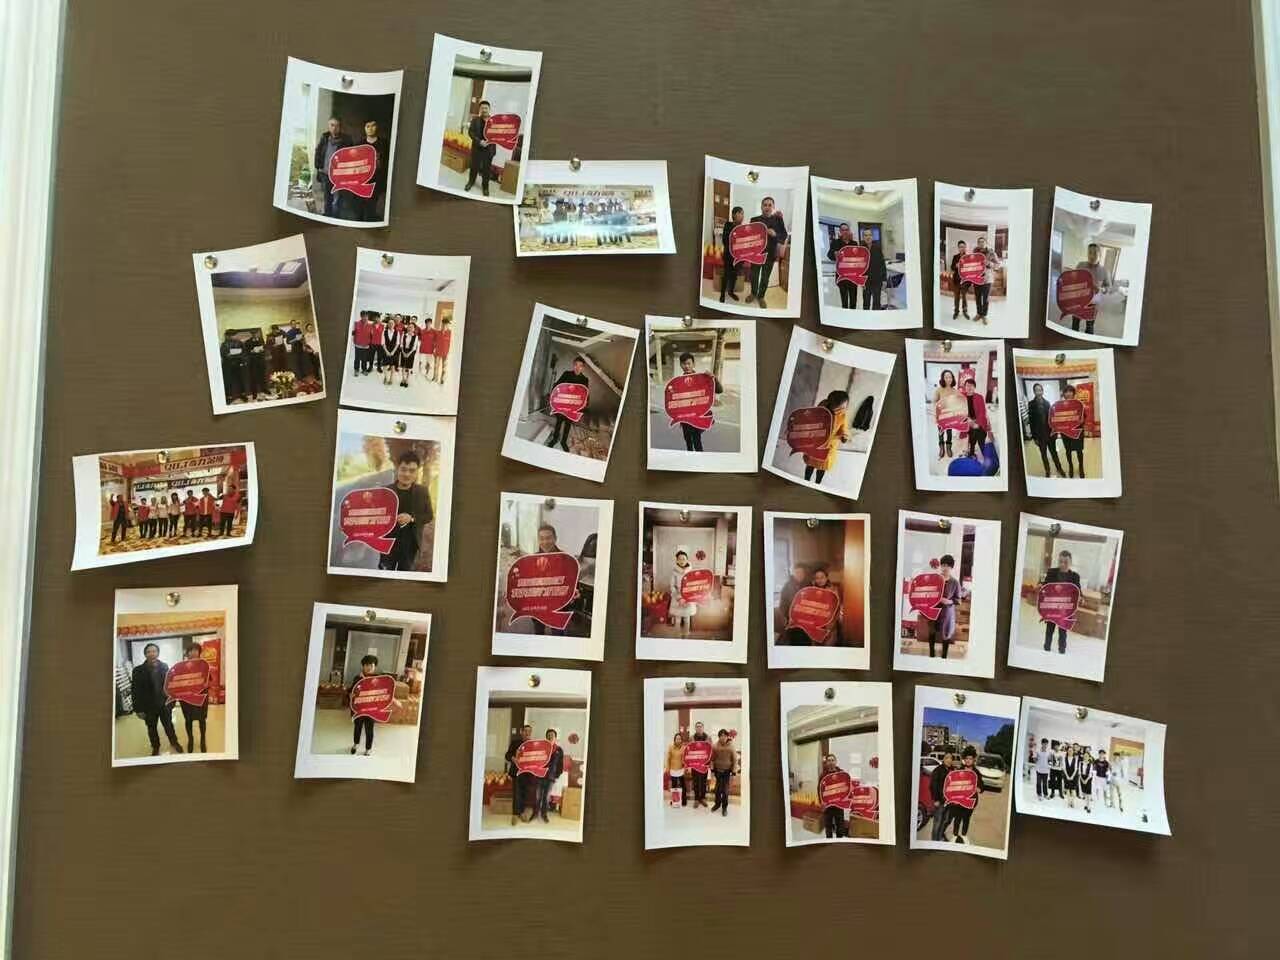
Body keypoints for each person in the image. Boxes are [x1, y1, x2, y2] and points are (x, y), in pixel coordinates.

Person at [375, 449, 433, 572]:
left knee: (405, 577)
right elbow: (373, 516)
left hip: (410, 546)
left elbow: (428, 515)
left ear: (417, 472)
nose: (407, 474)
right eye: (403, 469)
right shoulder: (385, 491)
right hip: (387, 544)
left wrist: (411, 518)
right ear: (397, 469)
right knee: (384, 577)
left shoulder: (422, 492)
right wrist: (353, 526)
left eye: (412, 470)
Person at [130, 642, 182, 757]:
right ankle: (155, 747)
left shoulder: (164, 666)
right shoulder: (138, 670)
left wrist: (172, 703)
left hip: (164, 705)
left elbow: (170, 685)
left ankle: (174, 742)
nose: (151, 654)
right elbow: (135, 691)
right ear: (145, 654)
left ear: (158, 653)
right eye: (148, 652)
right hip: (148, 707)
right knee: (151, 728)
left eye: (154, 651)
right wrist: (138, 709)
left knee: (169, 726)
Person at [673, 351, 722, 452]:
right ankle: (690, 457)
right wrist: (679, 418)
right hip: (685, 418)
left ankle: (699, 459)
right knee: (688, 441)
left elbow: (719, 390)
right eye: (684, 364)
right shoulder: (679, 381)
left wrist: (713, 378)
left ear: (693, 364)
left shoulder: (702, 378)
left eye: (689, 363)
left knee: (697, 441)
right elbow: (678, 401)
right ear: (680, 365)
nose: (686, 366)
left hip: (697, 416)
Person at [917, 554, 964, 658]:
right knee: (932, 631)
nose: (945, 568)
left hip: (947, 612)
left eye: (947, 565)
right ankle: (931, 653)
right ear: (940, 566)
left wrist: (949, 601)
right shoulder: (934, 579)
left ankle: (944, 656)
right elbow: (928, 592)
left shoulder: (955, 582)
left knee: (946, 634)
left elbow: (958, 600)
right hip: (934, 610)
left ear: (951, 567)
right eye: (943, 565)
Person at [802, 389, 850, 485]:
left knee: (822, 467)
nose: (842, 409)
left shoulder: (842, 415)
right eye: (840, 407)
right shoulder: (820, 410)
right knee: (810, 464)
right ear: (831, 404)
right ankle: (806, 481)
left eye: (844, 407)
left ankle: (817, 483)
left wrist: (844, 435)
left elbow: (843, 427)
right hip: (816, 443)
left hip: (829, 446)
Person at [749, 196, 788, 308]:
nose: (767, 207)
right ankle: (753, 293)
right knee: (754, 275)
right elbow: (749, 236)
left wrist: (775, 234)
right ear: (761, 207)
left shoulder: (778, 220)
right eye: (765, 205)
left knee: (765, 277)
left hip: (770, 254)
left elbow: (784, 235)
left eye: (770, 205)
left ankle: (761, 296)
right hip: (756, 254)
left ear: (773, 207)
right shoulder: (754, 220)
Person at [1040, 549, 1081, 654]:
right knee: (1049, 630)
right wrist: (1041, 588)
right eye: (1060, 561)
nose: (1062, 564)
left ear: (1070, 562)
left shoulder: (1075, 576)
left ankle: (1062, 651)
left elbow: (1078, 591)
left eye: (1065, 562)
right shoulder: (1051, 572)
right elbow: (1045, 586)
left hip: (1065, 611)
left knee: (1063, 632)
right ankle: (1046, 650)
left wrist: (1081, 598)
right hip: (1052, 608)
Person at [545, 355, 589, 452]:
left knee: (568, 424)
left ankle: (563, 442)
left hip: (573, 406)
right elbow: (557, 385)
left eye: (580, 366)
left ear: (583, 368)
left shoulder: (585, 379)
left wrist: (585, 404)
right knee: (559, 422)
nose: (577, 368)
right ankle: (555, 439)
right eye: (576, 365)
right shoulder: (566, 374)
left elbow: (586, 393)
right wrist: (552, 395)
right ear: (573, 365)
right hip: (563, 404)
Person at [314, 115, 352, 218]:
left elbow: (351, 157)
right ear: (328, 126)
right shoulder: (324, 137)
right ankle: (327, 215)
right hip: (325, 173)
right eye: (332, 125)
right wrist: (318, 166)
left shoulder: (347, 140)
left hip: (339, 175)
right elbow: (318, 152)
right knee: (327, 197)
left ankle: (336, 217)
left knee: (338, 199)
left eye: (337, 125)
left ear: (340, 127)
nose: (334, 128)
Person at [947, 746, 987, 844]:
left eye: (970, 759)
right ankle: (955, 836)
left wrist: (979, 789)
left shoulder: (976, 772)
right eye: (967, 758)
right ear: (964, 759)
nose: (968, 760)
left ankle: (964, 835)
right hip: (959, 800)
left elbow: (982, 785)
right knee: (957, 818)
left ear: (973, 760)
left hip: (971, 801)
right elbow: (953, 784)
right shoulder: (959, 770)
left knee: (966, 819)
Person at [1072, 243, 1113, 335]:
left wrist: (1101, 289)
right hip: (1079, 301)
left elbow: (1109, 287)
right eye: (1090, 252)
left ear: (1100, 254)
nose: (1092, 256)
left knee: (1090, 327)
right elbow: (1074, 280)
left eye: (1095, 253)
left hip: (1093, 304)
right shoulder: (1080, 265)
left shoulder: (1104, 271)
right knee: (1075, 324)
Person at [1026, 383, 1066, 478]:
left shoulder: (1047, 403)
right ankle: (1047, 470)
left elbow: (1052, 419)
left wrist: (1055, 432)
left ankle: (1059, 468)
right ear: (1034, 392)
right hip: (1040, 436)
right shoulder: (1031, 404)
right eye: (1037, 390)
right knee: (1043, 454)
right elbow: (1031, 421)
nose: (1039, 392)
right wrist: (1034, 437)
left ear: (1042, 391)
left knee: (1054, 453)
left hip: (1050, 434)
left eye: (1040, 390)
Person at [177, 641, 209, 754]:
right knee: (188, 720)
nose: (193, 653)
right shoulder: (181, 666)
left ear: (199, 652)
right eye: (191, 650)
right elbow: (177, 681)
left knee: (202, 720)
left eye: (196, 650)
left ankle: (202, 740)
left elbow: (209, 680)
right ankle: (190, 740)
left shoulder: (204, 665)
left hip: (201, 697)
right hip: (187, 698)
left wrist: (206, 684)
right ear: (187, 653)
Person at [356, 119, 389, 222]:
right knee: (360, 204)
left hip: (377, 179)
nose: (370, 128)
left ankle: (368, 221)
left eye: (373, 125)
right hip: (363, 180)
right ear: (364, 129)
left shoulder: (384, 143)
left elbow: (387, 162)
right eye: (368, 126)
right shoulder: (360, 144)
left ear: (377, 127)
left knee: (372, 204)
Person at [349, 654, 382, 756]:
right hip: (359, 709)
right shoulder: (357, 678)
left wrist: (393, 701)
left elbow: (383, 692)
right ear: (363, 666)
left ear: (375, 667)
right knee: (357, 727)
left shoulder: (378, 679)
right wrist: (351, 694)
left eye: (372, 665)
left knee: (369, 730)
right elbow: (351, 691)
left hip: (371, 710)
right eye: (367, 665)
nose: (369, 667)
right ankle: (356, 744)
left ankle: (368, 748)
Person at [464, 100, 497, 196]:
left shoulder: (494, 121)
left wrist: (489, 141)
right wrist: (479, 141)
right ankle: (471, 182)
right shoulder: (475, 120)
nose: (484, 110)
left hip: (489, 149)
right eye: (482, 108)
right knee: (474, 167)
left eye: (486, 108)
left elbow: (498, 135)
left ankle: (485, 187)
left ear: (489, 109)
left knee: (486, 170)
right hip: (477, 148)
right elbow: (471, 132)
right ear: (480, 109)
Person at [805, 567, 842, 645]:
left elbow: (837, 608)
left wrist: (831, 626)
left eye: (822, 577)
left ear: (826, 578)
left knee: (828, 647)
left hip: (830, 626)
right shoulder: (812, 590)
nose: (820, 580)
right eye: (817, 578)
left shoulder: (833, 590)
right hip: (815, 625)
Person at [505, 724, 534, 823]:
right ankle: (515, 815)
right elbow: (507, 755)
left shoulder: (533, 744)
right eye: (525, 731)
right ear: (521, 732)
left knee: (525, 794)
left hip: (528, 773)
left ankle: (522, 813)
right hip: (517, 772)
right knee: (517, 794)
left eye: (529, 731)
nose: (527, 733)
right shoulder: (515, 743)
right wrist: (513, 758)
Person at [826, 222, 858, 309]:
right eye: (843, 230)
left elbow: (858, 258)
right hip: (842, 277)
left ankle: (853, 314)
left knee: (853, 300)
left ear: (849, 231)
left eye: (847, 230)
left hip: (853, 277)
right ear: (840, 231)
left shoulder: (854, 243)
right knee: (844, 301)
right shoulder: (835, 243)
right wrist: (834, 254)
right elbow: (829, 255)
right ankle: (845, 315)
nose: (845, 232)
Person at [972, 235, 1003, 324]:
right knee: (977, 297)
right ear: (977, 244)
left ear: (985, 243)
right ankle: (979, 314)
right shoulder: (975, 252)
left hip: (987, 279)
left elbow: (998, 265)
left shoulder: (991, 252)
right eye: (979, 242)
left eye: (982, 242)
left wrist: (989, 263)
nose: (981, 243)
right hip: (976, 279)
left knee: (985, 299)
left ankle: (984, 315)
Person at [777, 562, 810, 645]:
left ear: (804, 574)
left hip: (806, 622)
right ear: (793, 573)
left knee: (807, 642)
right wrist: (787, 618)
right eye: (797, 572)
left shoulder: (808, 585)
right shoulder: (787, 586)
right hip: (793, 622)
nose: (800, 575)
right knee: (795, 642)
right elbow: (782, 606)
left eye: (801, 573)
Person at [536, 728, 565, 823]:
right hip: (540, 776)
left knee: (546, 797)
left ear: (555, 738)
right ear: (546, 737)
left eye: (552, 736)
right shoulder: (541, 748)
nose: (550, 737)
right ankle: (536, 813)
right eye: (548, 736)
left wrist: (556, 775)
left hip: (551, 777)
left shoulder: (559, 750)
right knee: (538, 797)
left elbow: (560, 765)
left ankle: (544, 814)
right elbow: (536, 761)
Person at [1058, 384, 1087, 478]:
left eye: (1070, 391)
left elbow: (1084, 416)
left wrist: (1082, 420)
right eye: (1066, 392)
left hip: (1077, 431)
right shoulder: (1060, 405)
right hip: (1065, 432)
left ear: (1073, 393)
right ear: (1064, 394)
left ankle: (1081, 467)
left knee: (1079, 451)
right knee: (1068, 451)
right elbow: (1057, 418)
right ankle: (1071, 467)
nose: (1068, 393)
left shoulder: (1079, 404)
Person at [668, 548, 698, 637]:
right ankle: (677, 636)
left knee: (687, 619)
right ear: (677, 560)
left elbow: (693, 585)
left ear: (687, 560)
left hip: (688, 598)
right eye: (679, 559)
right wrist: (679, 598)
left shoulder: (691, 571)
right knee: (677, 619)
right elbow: (672, 586)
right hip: (677, 597)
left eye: (684, 559)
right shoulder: (674, 572)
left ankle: (686, 636)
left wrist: (688, 598)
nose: (682, 561)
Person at [960, 374, 991, 459]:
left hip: (978, 420)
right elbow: (959, 412)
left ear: (974, 387)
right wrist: (968, 420)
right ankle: (974, 451)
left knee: (979, 431)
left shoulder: (979, 397)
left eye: (971, 386)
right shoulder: (961, 397)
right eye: (967, 385)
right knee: (974, 431)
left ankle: (974, 451)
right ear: (965, 387)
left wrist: (976, 423)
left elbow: (982, 412)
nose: (969, 387)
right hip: (966, 421)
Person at [819, 753, 849, 838]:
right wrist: (821, 802)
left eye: (832, 760)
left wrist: (846, 799)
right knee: (828, 826)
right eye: (829, 760)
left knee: (840, 826)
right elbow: (819, 789)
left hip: (839, 804)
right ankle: (829, 842)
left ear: (835, 761)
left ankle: (839, 841)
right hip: (827, 805)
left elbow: (846, 786)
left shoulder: (842, 773)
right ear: (826, 763)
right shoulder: (823, 775)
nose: (831, 762)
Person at [934, 370, 961, 460]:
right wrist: (936, 415)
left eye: (950, 377)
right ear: (943, 378)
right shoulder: (939, 390)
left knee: (949, 433)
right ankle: (941, 449)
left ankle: (948, 448)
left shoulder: (954, 391)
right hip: (941, 416)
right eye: (946, 377)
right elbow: (934, 402)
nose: (948, 379)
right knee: (941, 433)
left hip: (950, 416)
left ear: (952, 378)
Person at [719, 206, 744, 303]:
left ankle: (731, 292)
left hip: (738, 258)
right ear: (733, 215)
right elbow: (725, 241)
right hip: (728, 256)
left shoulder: (743, 228)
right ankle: (722, 294)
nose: (742, 216)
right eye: (740, 213)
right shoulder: (728, 225)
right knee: (726, 275)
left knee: (734, 276)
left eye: (742, 214)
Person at [929, 752, 954, 841]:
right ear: (943, 759)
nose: (949, 760)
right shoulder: (938, 770)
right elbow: (933, 785)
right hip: (940, 801)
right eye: (947, 758)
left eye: (951, 758)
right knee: (937, 822)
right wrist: (936, 799)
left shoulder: (952, 770)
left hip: (948, 801)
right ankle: (934, 841)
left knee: (945, 820)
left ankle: (939, 838)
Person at [861, 228, 888, 310]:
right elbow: (858, 266)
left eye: (870, 235)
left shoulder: (877, 248)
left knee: (876, 302)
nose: (868, 237)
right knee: (866, 302)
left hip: (877, 280)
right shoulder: (860, 249)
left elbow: (882, 264)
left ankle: (875, 316)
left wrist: (884, 279)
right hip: (866, 281)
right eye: (866, 235)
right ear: (863, 237)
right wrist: (861, 281)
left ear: (872, 236)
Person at [710, 729, 735, 816]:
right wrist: (712, 770)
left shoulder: (731, 746)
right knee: (717, 789)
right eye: (721, 736)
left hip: (727, 772)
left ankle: (724, 807)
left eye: (725, 736)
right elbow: (712, 759)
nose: (723, 737)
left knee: (725, 791)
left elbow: (735, 760)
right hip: (717, 771)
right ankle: (717, 804)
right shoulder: (715, 746)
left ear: (727, 736)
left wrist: (733, 772)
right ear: (719, 737)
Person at [220, 331, 249, 403]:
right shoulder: (224, 344)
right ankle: (229, 397)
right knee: (228, 381)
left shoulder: (240, 343)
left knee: (240, 380)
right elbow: (225, 355)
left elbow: (243, 352)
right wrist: (236, 353)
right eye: (231, 335)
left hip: (238, 364)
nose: (234, 337)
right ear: (227, 336)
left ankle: (243, 394)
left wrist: (233, 353)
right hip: (228, 365)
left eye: (234, 335)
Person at [688, 721, 710, 807]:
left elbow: (711, 750)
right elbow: (688, 751)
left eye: (700, 726)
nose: (699, 728)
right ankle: (697, 799)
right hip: (695, 764)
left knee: (704, 782)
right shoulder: (691, 738)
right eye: (697, 726)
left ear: (703, 728)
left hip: (704, 765)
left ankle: (703, 798)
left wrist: (710, 763)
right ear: (695, 728)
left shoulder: (708, 738)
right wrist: (689, 765)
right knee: (696, 782)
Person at [949, 239, 971, 319]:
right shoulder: (955, 257)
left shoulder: (968, 257)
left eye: (963, 247)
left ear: (965, 247)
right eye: (960, 247)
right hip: (957, 280)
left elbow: (970, 269)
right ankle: (956, 311)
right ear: (958, 248)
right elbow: (952, 267)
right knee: (956, 297)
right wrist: (956, 265)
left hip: (965, 281)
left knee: (964, 297)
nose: (962, 248)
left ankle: (965, 311)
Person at [666, 731, 687, 807]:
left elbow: (685, 759)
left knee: (683, 786)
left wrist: (685, 768)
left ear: (681, 740)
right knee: (674, 786)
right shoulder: (671, 747)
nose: (678, 740)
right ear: (674, 740)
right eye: (677, 739)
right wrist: (668, 768)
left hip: (681, 769)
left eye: (679, 739)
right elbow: (668, 759)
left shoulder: (684, 748)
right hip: (673, 769)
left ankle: (684, 801)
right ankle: (675, 801)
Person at [246, 330, 268, 398]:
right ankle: (254, 393)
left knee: (263, 376)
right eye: (253, 334)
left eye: (256, 334)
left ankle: (264, 389)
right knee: (254, 378)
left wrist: (262, 350)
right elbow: (246, 352)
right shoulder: (248, 342)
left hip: (261, 361)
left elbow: (264, 347)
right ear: (251, 334)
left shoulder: (261, 340)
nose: (255, 335)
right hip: (253, 362)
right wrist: (252, 351)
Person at [398, 318, 418, 388]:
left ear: (414, 329)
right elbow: (401, 344)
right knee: (403, 366)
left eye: (412, 327)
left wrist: (409, 354)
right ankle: (403, 379)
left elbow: (414, 347)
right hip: (404, 351)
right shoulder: (404, 335)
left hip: (411, 352)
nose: (410, 328)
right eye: (409, 327)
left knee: (409, 367)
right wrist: (403, 352)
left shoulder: (415, 337)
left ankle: (407, 380)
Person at [433, 317, 452, 385]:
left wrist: (449, 352)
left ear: (448, 325)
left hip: (445, 353)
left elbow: (451, 343)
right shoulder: (438, 332)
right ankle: (435, 378)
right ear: (442, 324)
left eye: (446, 324)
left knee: (444, 368)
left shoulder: (450, 333)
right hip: (437, 352)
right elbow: (434, 342)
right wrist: (434, 350)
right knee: (436, 366)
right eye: (443, 324)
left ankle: (442, 380)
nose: (444, 326)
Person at [418, 316, 436, 381]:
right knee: (420, 362)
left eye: (429, 323)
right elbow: (419, 339)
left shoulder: (434, 332)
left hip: (430, 350)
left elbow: (436, 340)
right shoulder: (422, 331)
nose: (428, 324)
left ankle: (427, 374)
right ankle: (420, 373)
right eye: (427, 323)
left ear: (431, 324)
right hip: (422, 350)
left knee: (428, 363)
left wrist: (434, 349)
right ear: (425, 323)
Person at [1078, 747, 1094, 813]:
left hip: (1088, 779)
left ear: (1089, 757)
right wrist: (1082, 779)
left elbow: (1090, 774)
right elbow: (1079, 772)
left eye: (1087, 756)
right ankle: (1086, 805)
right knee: (1084, 793)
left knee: (1088, 794)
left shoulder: (1091, 764)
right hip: (1082, 778)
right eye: (1084, 756)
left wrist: (1086, 780)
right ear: (1083, 756)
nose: (1085, 757)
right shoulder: (1080, 763)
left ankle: (1088, 807)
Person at [1063, 743, 1079, 809]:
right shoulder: (1065, 758)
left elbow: (1076, 769)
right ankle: (1069, 802)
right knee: (1067, 790)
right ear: (1067, 751)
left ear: (1073, 752)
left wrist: (1072, 776)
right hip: (1066, 775)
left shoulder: (1075, 759)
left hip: (1074, 776)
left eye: (1071, 751)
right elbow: (1064, 768)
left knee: (1073, 790)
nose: (1070, 752)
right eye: (1069, 751)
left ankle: (1072, 802)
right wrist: (1067, 776)